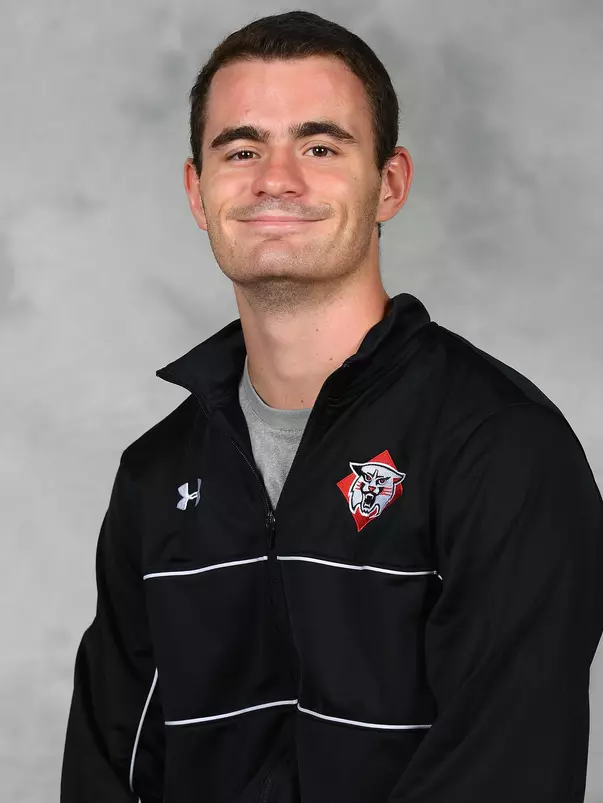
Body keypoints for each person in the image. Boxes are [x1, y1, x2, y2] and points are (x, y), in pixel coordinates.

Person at [60, 10, 603, 803]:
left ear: (389, 183)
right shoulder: (156, 476)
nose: (275, 179)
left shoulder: (503, 452)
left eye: (319, 146)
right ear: (197, 190)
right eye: (240, 149)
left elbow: (506, 772)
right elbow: (105, 768)